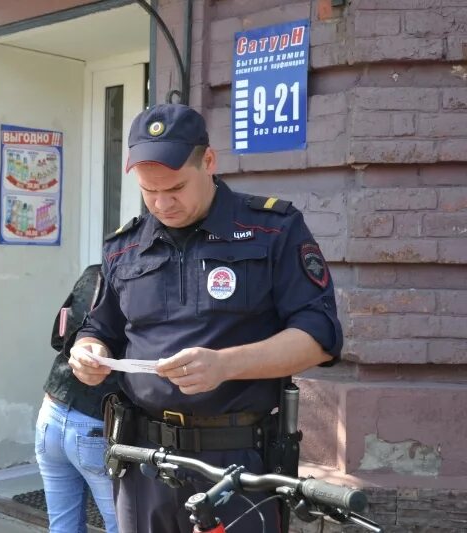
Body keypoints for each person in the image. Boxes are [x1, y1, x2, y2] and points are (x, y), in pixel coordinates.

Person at [68, 103, 342, 533]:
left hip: (235, 464)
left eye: (175, 188)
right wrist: (88, 353)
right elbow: (99, 329)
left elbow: (320, 335)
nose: (161, 203)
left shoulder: (272, 229)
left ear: (209, 162)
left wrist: (226, 365)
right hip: (144, 460)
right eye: (148, 191)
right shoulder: (124, 247)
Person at [35, 265, 119, 533]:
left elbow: (59, 337)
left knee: (62, 526)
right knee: (123, 523)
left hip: (52, 410)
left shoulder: (93, 273)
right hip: (96, 421)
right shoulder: (136, 284)